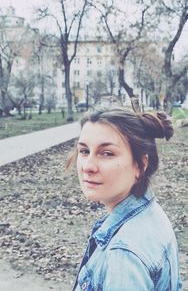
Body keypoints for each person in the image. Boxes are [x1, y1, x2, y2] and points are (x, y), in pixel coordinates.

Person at [67, 107, 182, 291]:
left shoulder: (124, 254)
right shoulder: (149, 212)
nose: (88, 166)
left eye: (107, 153)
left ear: (140, 165)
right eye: (84, 151)